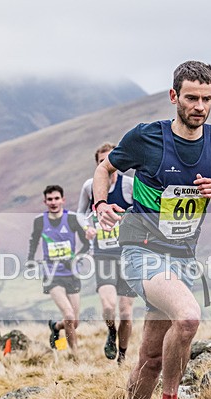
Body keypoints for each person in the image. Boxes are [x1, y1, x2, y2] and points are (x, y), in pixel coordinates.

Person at [93, 61, 211, 399]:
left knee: (151, 358)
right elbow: (105, 168)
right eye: (191, 98)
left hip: (182, 257)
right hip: (142, 248)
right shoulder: (146, 137)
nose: (199, 106)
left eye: (207, 99)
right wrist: (101, 204)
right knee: (187, 317)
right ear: (173, 97)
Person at [76, 142, 136, 365]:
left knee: (126, 313)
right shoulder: (89, 186)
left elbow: (143, 209)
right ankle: (111, 332)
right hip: (103, 254)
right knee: (109, 307)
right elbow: (80, 213)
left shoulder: (129, 185)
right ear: (98, 164)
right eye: (102, 162)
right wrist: (87, 228)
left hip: (129, 254)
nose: (108, 165)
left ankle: (122, 355)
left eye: (111, 160)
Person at [27, 185, 89, 355]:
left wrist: (75, 258)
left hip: (72, 274)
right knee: (68, 316)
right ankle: (75, 355)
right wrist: (30, 260)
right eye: (50, 199)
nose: (53, 202)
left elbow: (87, 244)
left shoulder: (72, 219)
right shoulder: (40, 221)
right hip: (52, 274)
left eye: (56, 198)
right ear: (45, 201)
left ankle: (55, 326)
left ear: (63, 200)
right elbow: (34, 241)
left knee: (74, 322)